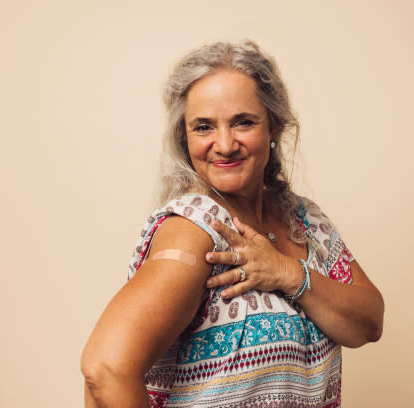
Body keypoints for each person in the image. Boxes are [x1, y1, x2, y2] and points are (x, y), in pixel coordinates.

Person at [81, 40, 384, 408]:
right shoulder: (196, 231)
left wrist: (288, 273)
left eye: (243, 122)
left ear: (274, 126)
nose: (224, 145)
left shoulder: (303, 219)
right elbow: (106, 369)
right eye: (204, 127)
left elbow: (369, 323)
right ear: (185, 137)